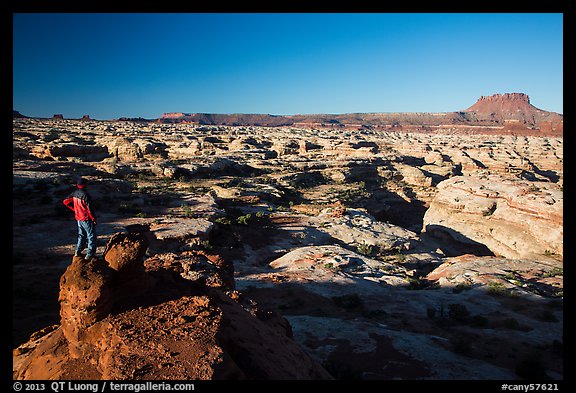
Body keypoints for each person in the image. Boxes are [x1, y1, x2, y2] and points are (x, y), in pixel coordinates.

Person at [63, 177, 98, 260]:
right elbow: (89, 209)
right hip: (86, 218)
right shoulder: (85, 195)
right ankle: (90, 254)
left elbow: (65, 201)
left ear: (77, 185)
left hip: (78, 217)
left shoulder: (75, 193)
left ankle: (77, 252)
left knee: (81, 235)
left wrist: (74, 209)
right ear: (85, 185)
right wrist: (93, 219)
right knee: (91, 236)